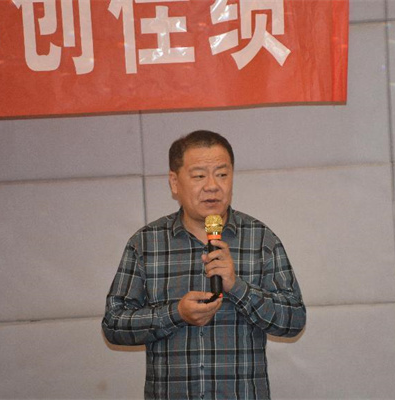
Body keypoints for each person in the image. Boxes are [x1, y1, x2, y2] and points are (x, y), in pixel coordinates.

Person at [102, 130, 306, 400]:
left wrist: (238, 287)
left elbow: (294, 320)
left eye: (222, 174)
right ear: (175, 182)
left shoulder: (261, 240)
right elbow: (114, 324)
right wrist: (176, 313)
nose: (212, 186)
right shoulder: (146, 243)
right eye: (199, 176)